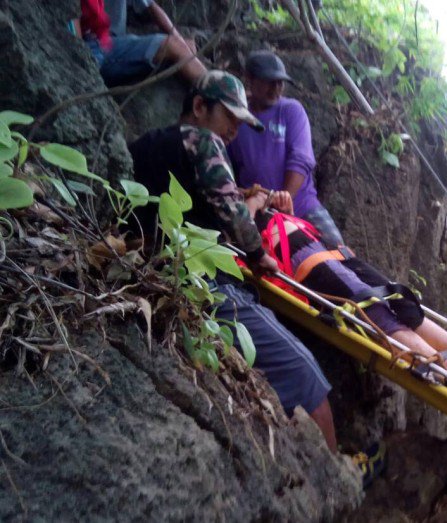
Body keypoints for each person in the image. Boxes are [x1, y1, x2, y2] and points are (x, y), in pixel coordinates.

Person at [127, 70, 339, 453]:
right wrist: (261, 256)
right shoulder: (202, 140)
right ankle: (339, 482)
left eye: (240, 124)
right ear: (198, 106)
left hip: (156, 278)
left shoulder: (144, 146)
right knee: (305, 371)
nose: (233, 133)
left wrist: (249, 199)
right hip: (206, 285)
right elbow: (233, 216)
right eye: (230, 118)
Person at [243, 200, 447, 393]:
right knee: (365, 302)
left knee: (394, 295)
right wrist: (255, 201)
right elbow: (238, 220)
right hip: (294, 254)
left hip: (315, 241)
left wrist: (273, 202)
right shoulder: (223, 193)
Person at [227, 50, 345, 248]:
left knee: (339, 253)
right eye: (270, 82)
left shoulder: (290, 110)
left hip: (303, 206)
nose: (277, 88)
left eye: (280, 82)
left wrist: (283, 199)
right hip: (259, 210)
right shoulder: (237, 117)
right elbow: (230, 171)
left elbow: (301, 159)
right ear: (250, 79)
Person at [79, 0, 206, 86]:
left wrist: (181, 41)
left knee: (176, 47)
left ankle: (217, 93)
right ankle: (217, 92)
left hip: (109, 46)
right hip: (90, 48)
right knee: (175, 46)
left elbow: (152, 7)